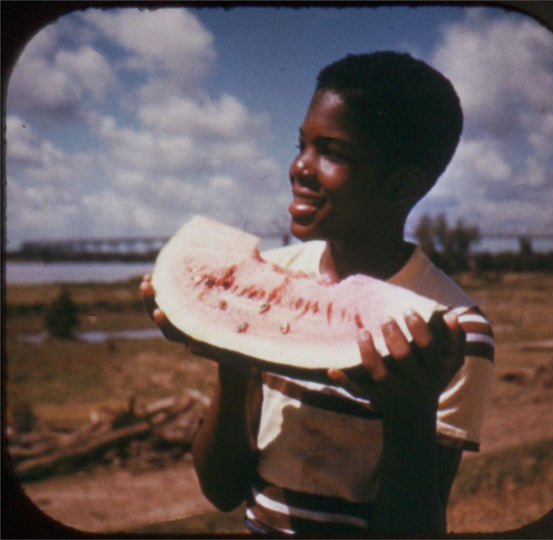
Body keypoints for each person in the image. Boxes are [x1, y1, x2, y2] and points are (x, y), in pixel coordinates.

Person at [141, 51, 494, 535]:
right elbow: (222, 491)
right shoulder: (270, 277)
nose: (300, 167)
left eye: (332, 152)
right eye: (301, 144)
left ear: (400, 185)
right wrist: (233, 362)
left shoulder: (451, 332)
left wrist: (410, 415)